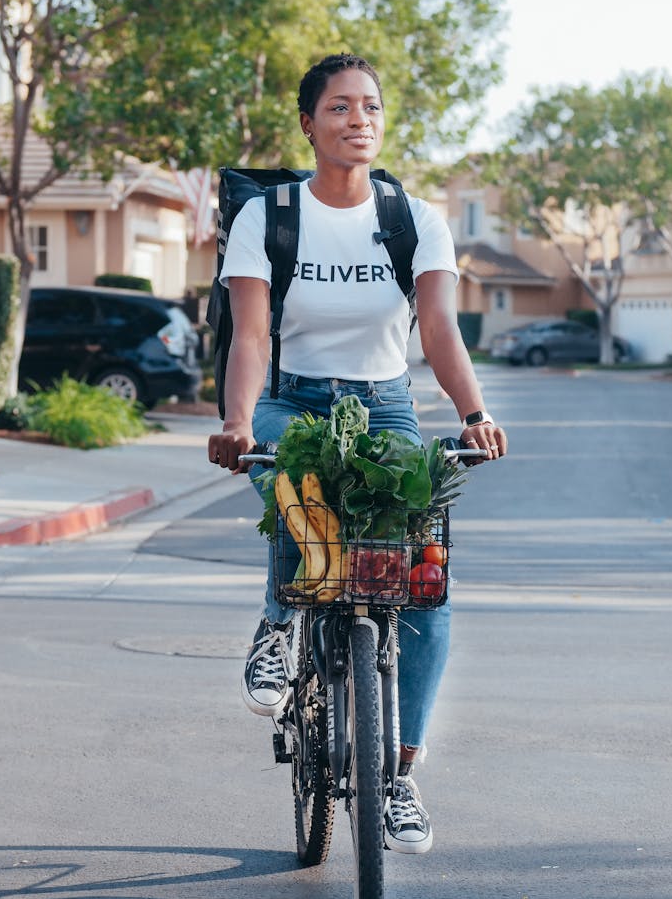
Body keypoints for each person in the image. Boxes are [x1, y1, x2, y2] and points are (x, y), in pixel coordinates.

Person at [208, 53, 507, 854]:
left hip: (382, 403)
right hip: (290, 394)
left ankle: (399, 776)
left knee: (423, 578)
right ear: (308, 123)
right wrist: (239, 422)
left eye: (369, 107)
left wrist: (473, 412)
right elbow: (251, 334)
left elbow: (439, 331)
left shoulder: (414, 217)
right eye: (338, 107)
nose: (358, 120)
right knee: (293, 490)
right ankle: (278, 629)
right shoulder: (267, 216)